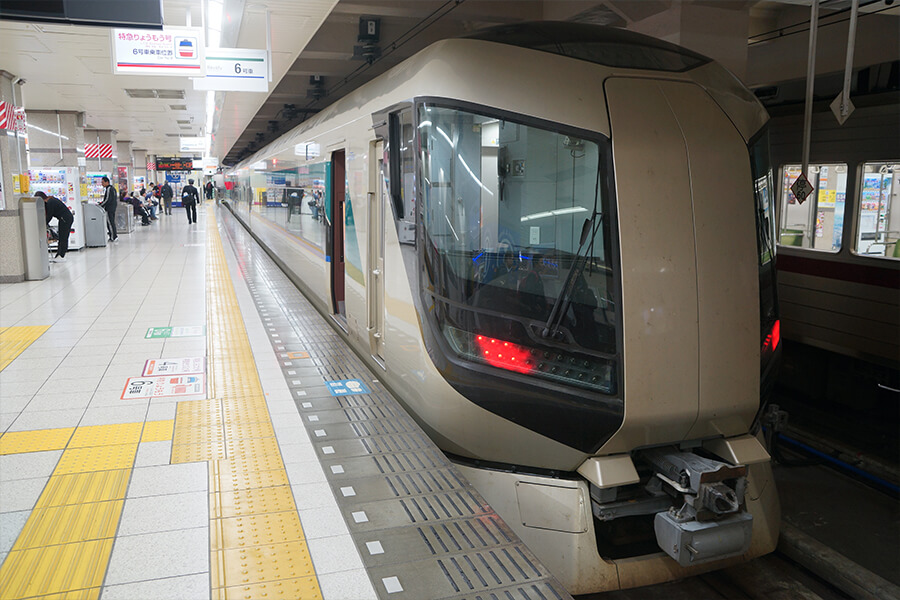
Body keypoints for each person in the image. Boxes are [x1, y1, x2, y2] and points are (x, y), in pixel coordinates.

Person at [34, 191, 74, 262]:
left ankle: (61, 255)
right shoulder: (50, 200)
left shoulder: (50, 202)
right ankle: (59, 255)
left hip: (65, 219)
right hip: (64, 218)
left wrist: (43, 224)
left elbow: (49, 215)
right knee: (62, 236)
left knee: (63, 237)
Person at [99, 176, 119, 243]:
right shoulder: (112, 188)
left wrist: (101, 205)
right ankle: (113, 236)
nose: (102, 184)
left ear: (107, 182)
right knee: (111, 222)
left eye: (102, 182)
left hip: (109, 208)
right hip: (112, 208)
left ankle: (113, 236)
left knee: (110, 223)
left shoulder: (109, 189)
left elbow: (107, 199)